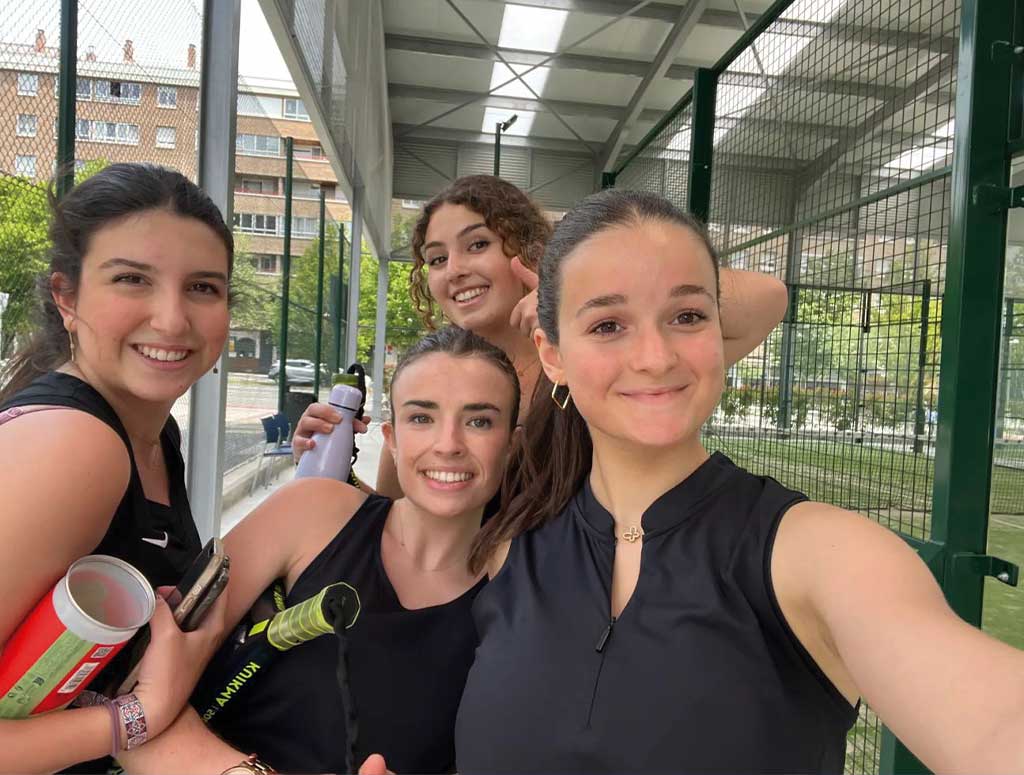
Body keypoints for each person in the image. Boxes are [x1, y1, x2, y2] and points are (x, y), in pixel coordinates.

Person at [368, 189, 1024, 774]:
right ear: (554, 354)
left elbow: (995, 722)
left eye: (687, 316)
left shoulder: (817, 554)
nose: (655, 357)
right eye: (607, 324)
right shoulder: (508, 551)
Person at [118, 326, 520, 775]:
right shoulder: (313, 513)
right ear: (391, 438)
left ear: (511, 444)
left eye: (479, 421)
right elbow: (134, 688)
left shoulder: (523, 590)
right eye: (422, 418)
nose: (448, 444)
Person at [293, 175, 789, 498]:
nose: (456, 270)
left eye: (477, 245)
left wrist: (567, 300)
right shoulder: (434, 375)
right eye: (437, 258)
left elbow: (769, 298)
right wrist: (332, 474)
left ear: (527, 248)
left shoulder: (599, 358)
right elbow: (398, 510)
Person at [0, 163, 230, 774]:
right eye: (133, 279)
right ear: (66, 297)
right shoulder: (75, 446)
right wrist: (139, 716)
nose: (173, 319)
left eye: (203, 287)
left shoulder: (153, 433)